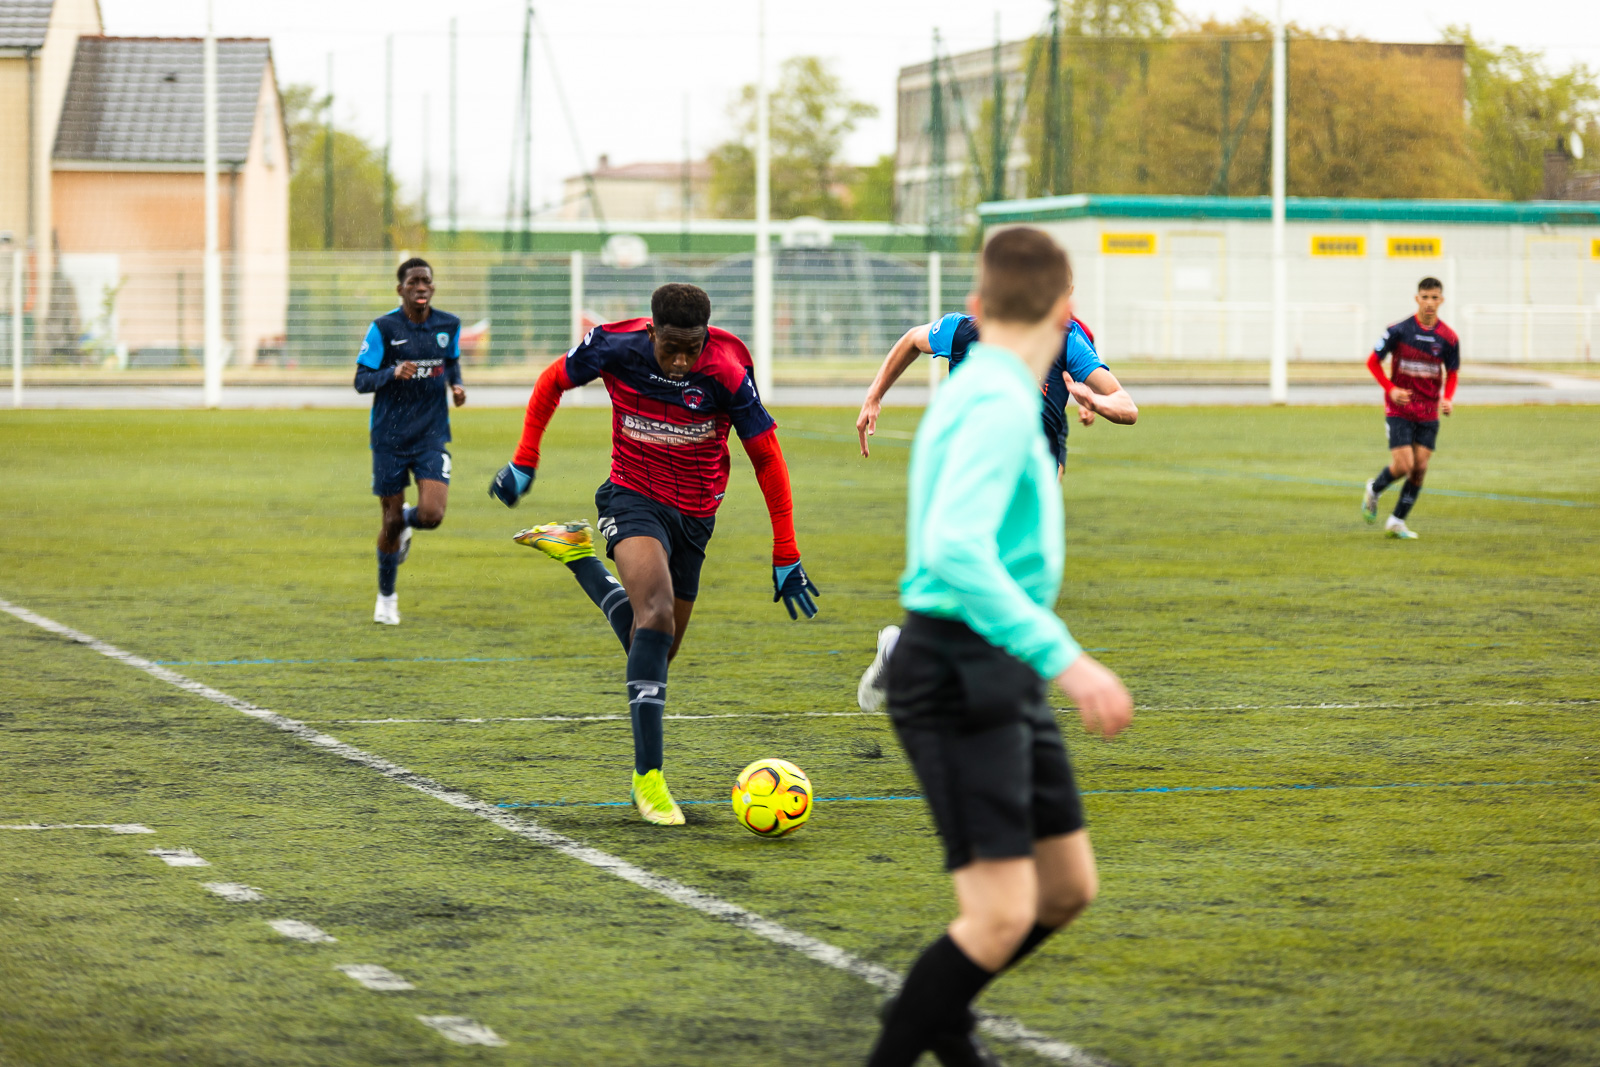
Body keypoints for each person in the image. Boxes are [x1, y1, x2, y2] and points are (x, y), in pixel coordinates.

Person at [867, 227, 1133, 1067]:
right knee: (998, 914)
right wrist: (1067, 657)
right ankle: (927, 1012)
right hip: (958, 666)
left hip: (997, 668)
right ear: (1066, 312)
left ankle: (937, 1002)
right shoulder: (996, 403)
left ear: (978, 309)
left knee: (1065, 888)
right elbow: (952, 547)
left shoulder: (989, 383)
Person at [488, 282, 819, 826]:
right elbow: (552, 380)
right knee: (658, 612)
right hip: (632, 495)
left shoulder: (728, 371)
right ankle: (650, 780)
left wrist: (786, 550)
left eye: (693, 347)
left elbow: (767, 458)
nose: (683, 360)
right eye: (672, 348)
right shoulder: (616, 348)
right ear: (652, 331)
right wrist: (525, 459)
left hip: (696, 515)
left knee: (655, 648)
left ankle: (578, 558)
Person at [854, 306, 1137, 713]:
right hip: (978, 474)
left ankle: (910, 655)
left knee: (997, 590)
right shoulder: (963, 331)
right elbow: (913, 339)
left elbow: (1126, 406)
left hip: (1031, 472)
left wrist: (1094, 399)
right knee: (994, 583)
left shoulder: (1067, 337)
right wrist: (874, 394)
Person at [354, 258, 466, 625]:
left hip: (431, 434)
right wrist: (390, 372)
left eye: (427, 282)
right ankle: (386, 597)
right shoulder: (384, 328)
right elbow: (360, 380)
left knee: (432, 515)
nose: (421, 287)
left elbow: (450, 361)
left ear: (432, 288)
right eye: (414, 282)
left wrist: (456, 385)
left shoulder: (448, 325)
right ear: (400, 289)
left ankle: (403, 521)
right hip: (389, 437)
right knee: (388, 524)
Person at [1361, 277, 1460, 539]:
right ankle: (1375, 488)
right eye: (1425, 297)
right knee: (1405, 465)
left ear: (1442, 301)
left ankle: (1396, 522)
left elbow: (1452, 372)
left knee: (1419, 469)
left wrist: (1447, 398)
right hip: (1400, 409)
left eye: (1434, 298)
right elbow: (1372, 362)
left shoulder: (1448, 338)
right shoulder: (1398, 330)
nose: (1429, 303)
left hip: (1428, 412)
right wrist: (1390, 389)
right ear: (1417, 298)